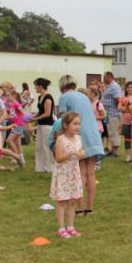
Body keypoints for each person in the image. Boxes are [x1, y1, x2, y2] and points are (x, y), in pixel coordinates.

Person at [57, 75, 105, 215]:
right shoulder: (83, 96)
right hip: (94, 135)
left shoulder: (64, 97)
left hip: (80, 136)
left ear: (62, 86)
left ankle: (79, 208)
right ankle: (89, 208)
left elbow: (63, 120)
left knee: (81, 173)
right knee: (91, 173)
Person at [51, 112, 85, 238]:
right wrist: (70, 153)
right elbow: (58, 158)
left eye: (79, 124)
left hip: (74, 174)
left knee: (72, 201)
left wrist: (81, 154)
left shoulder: (79, 139)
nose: (77, 126)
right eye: (74, 124)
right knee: (62, 201)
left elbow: (80, 153)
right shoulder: (61, 139)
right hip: (63, 175)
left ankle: (70, 227)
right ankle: (61, 228)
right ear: (66, 125)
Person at [31, 78, 56, 173]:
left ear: (40, 86)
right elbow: (40, 111)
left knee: (46, 146)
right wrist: (32, 116)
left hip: (47, 125)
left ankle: (50, 167)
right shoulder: (40, 97)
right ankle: (40, 167)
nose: (35, 88)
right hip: (41, 124)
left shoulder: (48, 98)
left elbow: (47, 113)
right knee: (39, 146)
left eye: (36, 86)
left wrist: (35, 119)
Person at [101, 71, 123, 157]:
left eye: (104, 77)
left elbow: (118, 99)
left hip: (113, 114)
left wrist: (118, 110)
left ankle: (115, 151)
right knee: (110, 132)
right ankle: (112, 150)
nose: (103, 79)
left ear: (109, 77)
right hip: (108, 114)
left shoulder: (114, 86)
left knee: (114, 132)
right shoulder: (110, 86)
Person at [119, 81, 132, 163]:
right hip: (126, 121)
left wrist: (126, 108)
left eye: (131, 87)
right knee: (127, 139)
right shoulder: (123, 98)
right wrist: (127, 108)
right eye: (128, 87)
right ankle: (128, 156)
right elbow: (119, 108)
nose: (130, 89)